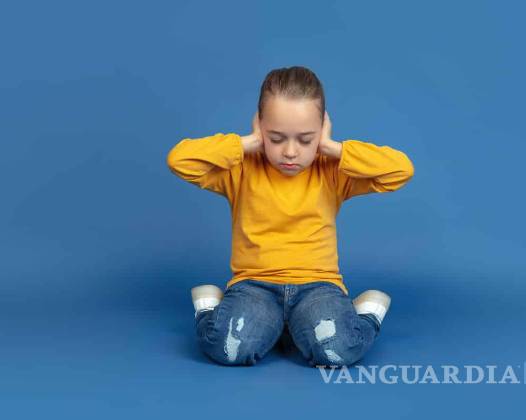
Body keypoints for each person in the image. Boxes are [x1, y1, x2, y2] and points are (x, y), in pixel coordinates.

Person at [166, 66, 415, 367]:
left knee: (336, 351)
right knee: (229, 348)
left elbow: (400, 170)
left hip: (317, 287)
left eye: (306, 140)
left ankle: (367, 315)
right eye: (276, 138)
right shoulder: (241, 168)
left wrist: (332, 148)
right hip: (255, 287)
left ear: (322, 128)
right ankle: (209, 309)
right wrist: (245, 143)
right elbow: (179, 160)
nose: (290, 152)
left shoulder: (330, 170)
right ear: (259, 125)